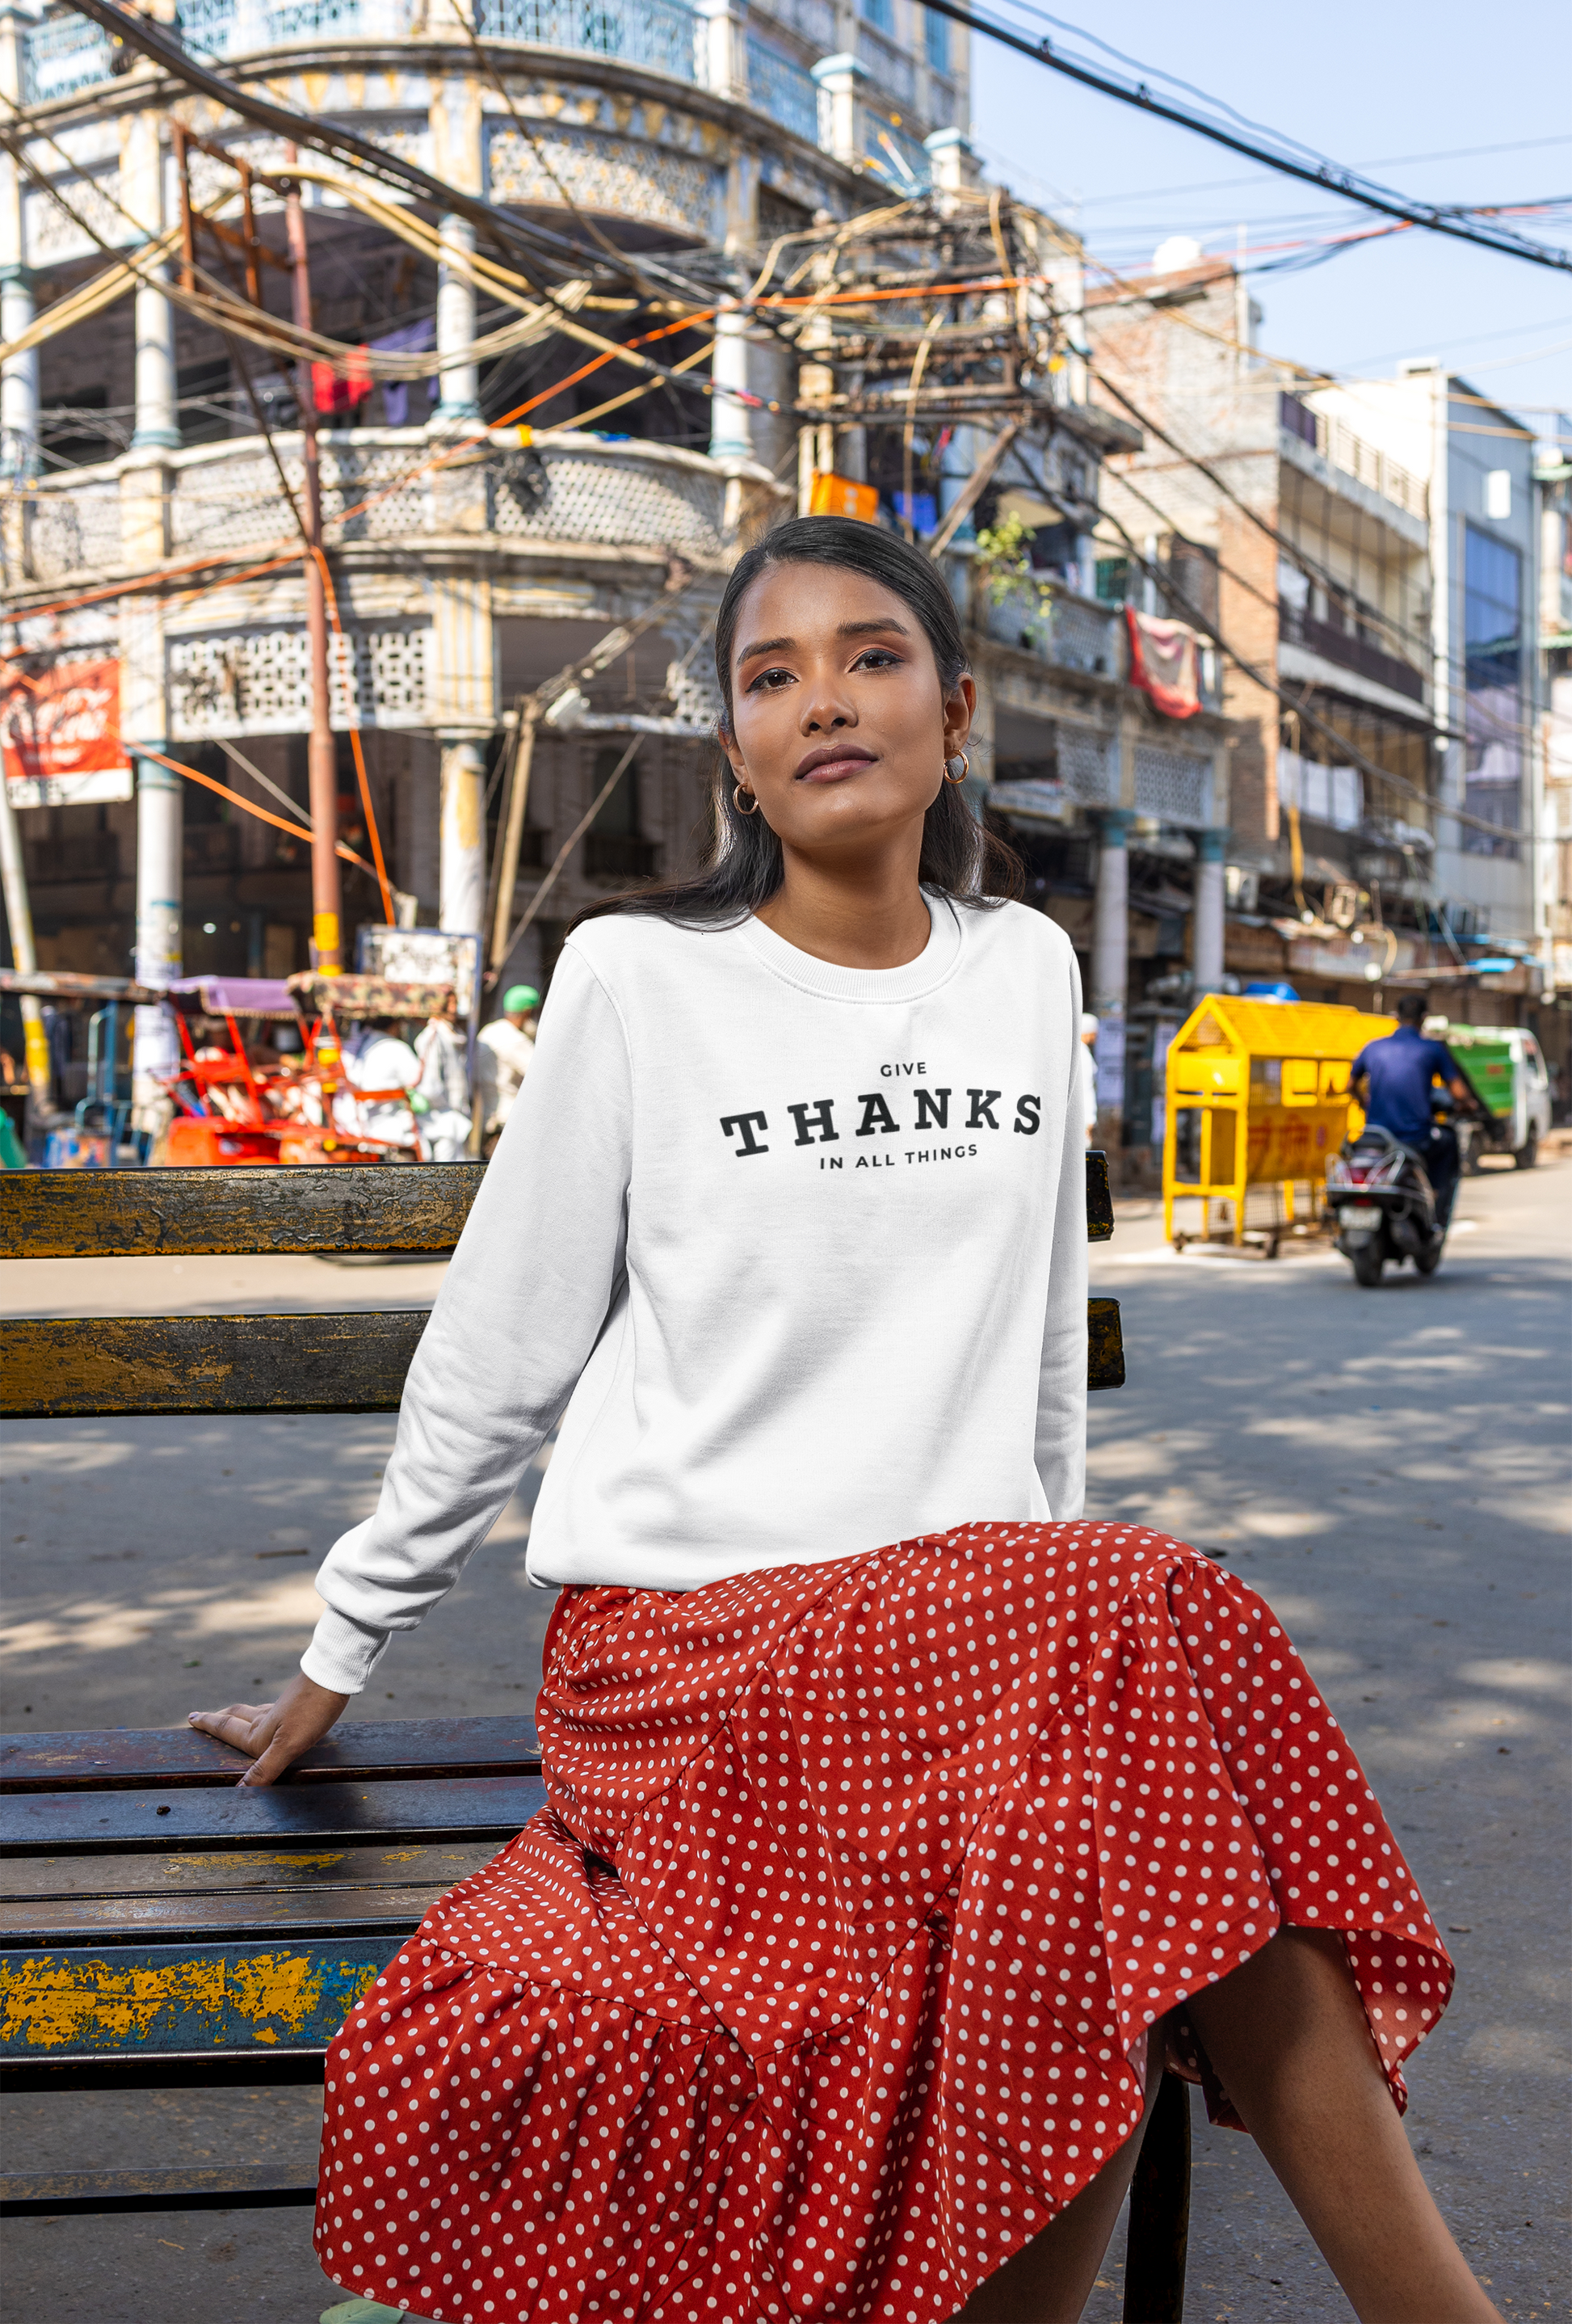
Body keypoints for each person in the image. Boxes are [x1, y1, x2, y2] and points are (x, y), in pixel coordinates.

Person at [192, 518, 1497, 2324]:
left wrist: (1029, 1643)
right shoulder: (640, 982)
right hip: (692, 1670)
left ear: (954, 711)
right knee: (1140, 1656)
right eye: (769, 672)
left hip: (974, 1663)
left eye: (870, 656)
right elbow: (499, 1347)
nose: (822, 699)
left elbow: (1035, 1353)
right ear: (729, 743)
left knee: (1094, 1830)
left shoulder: (1027, 971)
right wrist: (338, 1650)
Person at [1350, 993, 1475, 1231]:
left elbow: (1349, 1085)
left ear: (1396, 1017)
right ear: (1424, 1019)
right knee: (1447, 1142)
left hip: (1374, 1137)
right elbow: (1459, 1094)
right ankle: (1436, 1203)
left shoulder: (1373, 1047)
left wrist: (1364, 1102)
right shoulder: (1432, 1049)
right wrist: (1469, 1105)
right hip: (1415, 1139)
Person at [334, 1013, 421, 1151]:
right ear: (397, 1025)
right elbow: (422, 1084)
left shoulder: (359, 1043)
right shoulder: (395, 1047)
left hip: (353, 1122)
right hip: (385, 1127)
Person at [410, 988, 473, 1163]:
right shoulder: (433, 1037)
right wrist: (448, 1109)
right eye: (448, 1004)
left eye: (455, 1003)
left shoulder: (452, 1034)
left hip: (454, 1117)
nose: (453, 1009)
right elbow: (430, 1086)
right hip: (442, 1121)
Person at [473, 981, 539, 1147]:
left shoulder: (488, 1031)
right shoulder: (513, 1038)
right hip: (509, 1123)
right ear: (527, 1012)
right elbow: (542, 1075)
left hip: (489, 1120)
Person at [1080, 1008, 1100, 1146]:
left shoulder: (1077, 1051)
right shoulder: (1083, 1055)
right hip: (1082, 1116)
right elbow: (1086, 1087)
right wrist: (1090, 1119)